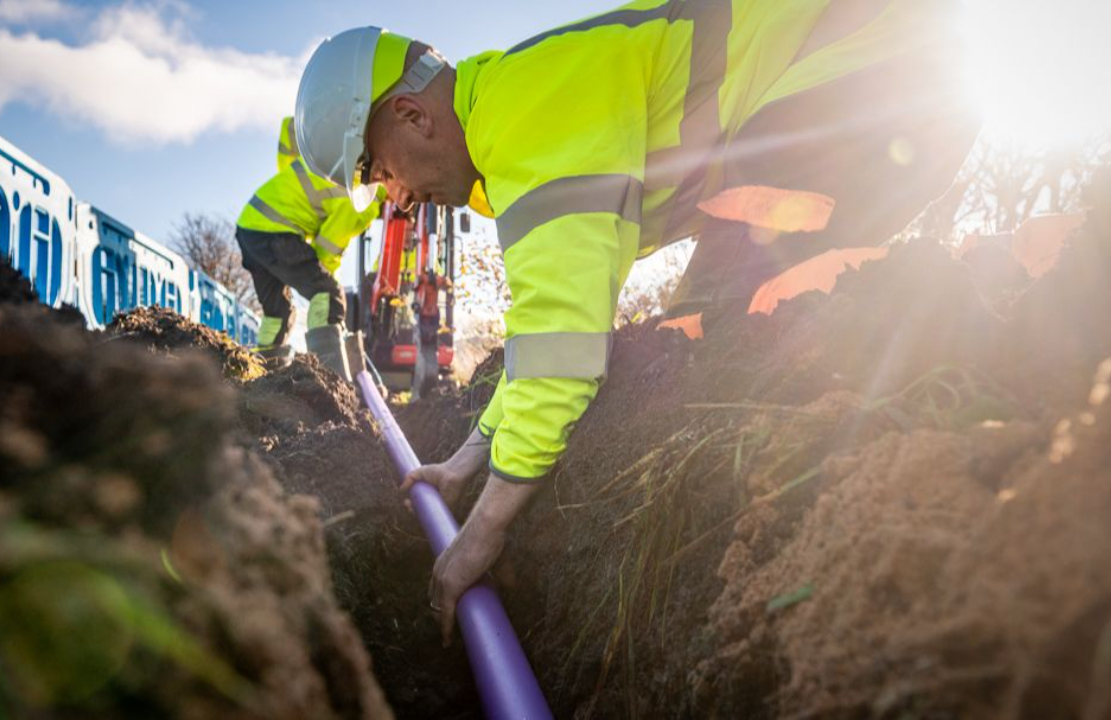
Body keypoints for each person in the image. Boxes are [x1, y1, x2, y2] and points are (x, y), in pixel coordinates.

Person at [293, 0, 981, 639]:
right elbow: (547, 329)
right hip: (875, 86)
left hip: (867, 77)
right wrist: (466, 460)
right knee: (714, 332)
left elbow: (564, 343)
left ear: (414, 116)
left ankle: (877, 526)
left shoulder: (523, 109)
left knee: (729, 349)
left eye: (381, 171)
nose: (399, 199)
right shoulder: (514, 104)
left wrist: (482, 531)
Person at [235, 117, 381, 377]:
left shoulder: (345, 166)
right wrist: (330, 287)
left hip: (250, 225)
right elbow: (328, 248)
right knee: (327, 294)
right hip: (276, 230)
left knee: (278, 311)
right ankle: (332, 381)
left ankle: (260, 379)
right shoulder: (365, 200)